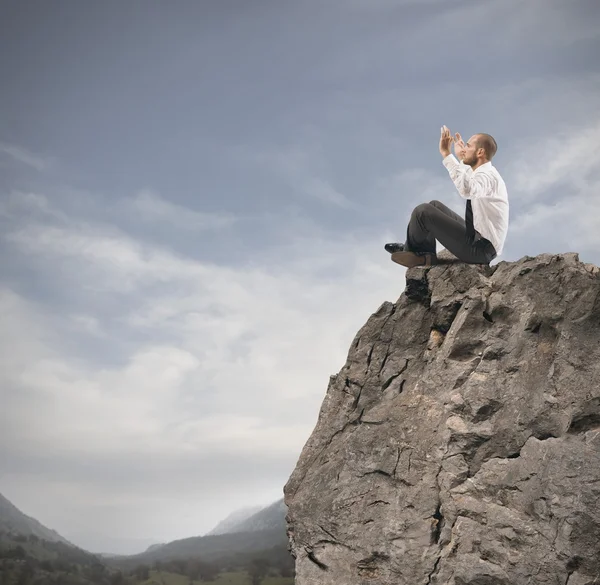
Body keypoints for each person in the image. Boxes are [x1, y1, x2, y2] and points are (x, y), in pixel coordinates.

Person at [385, 126, 509, 268]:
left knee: (422, 212)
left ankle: (415, 253)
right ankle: (423, 252)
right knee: (434, 205)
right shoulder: (483, 172)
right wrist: (462, 158)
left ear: (480, 152)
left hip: (481, 249)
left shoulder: (488, 176)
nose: (465, 148)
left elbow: (467, 189)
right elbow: (469, 178)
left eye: (468, 146)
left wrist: (446, 153)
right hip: (477, 238)